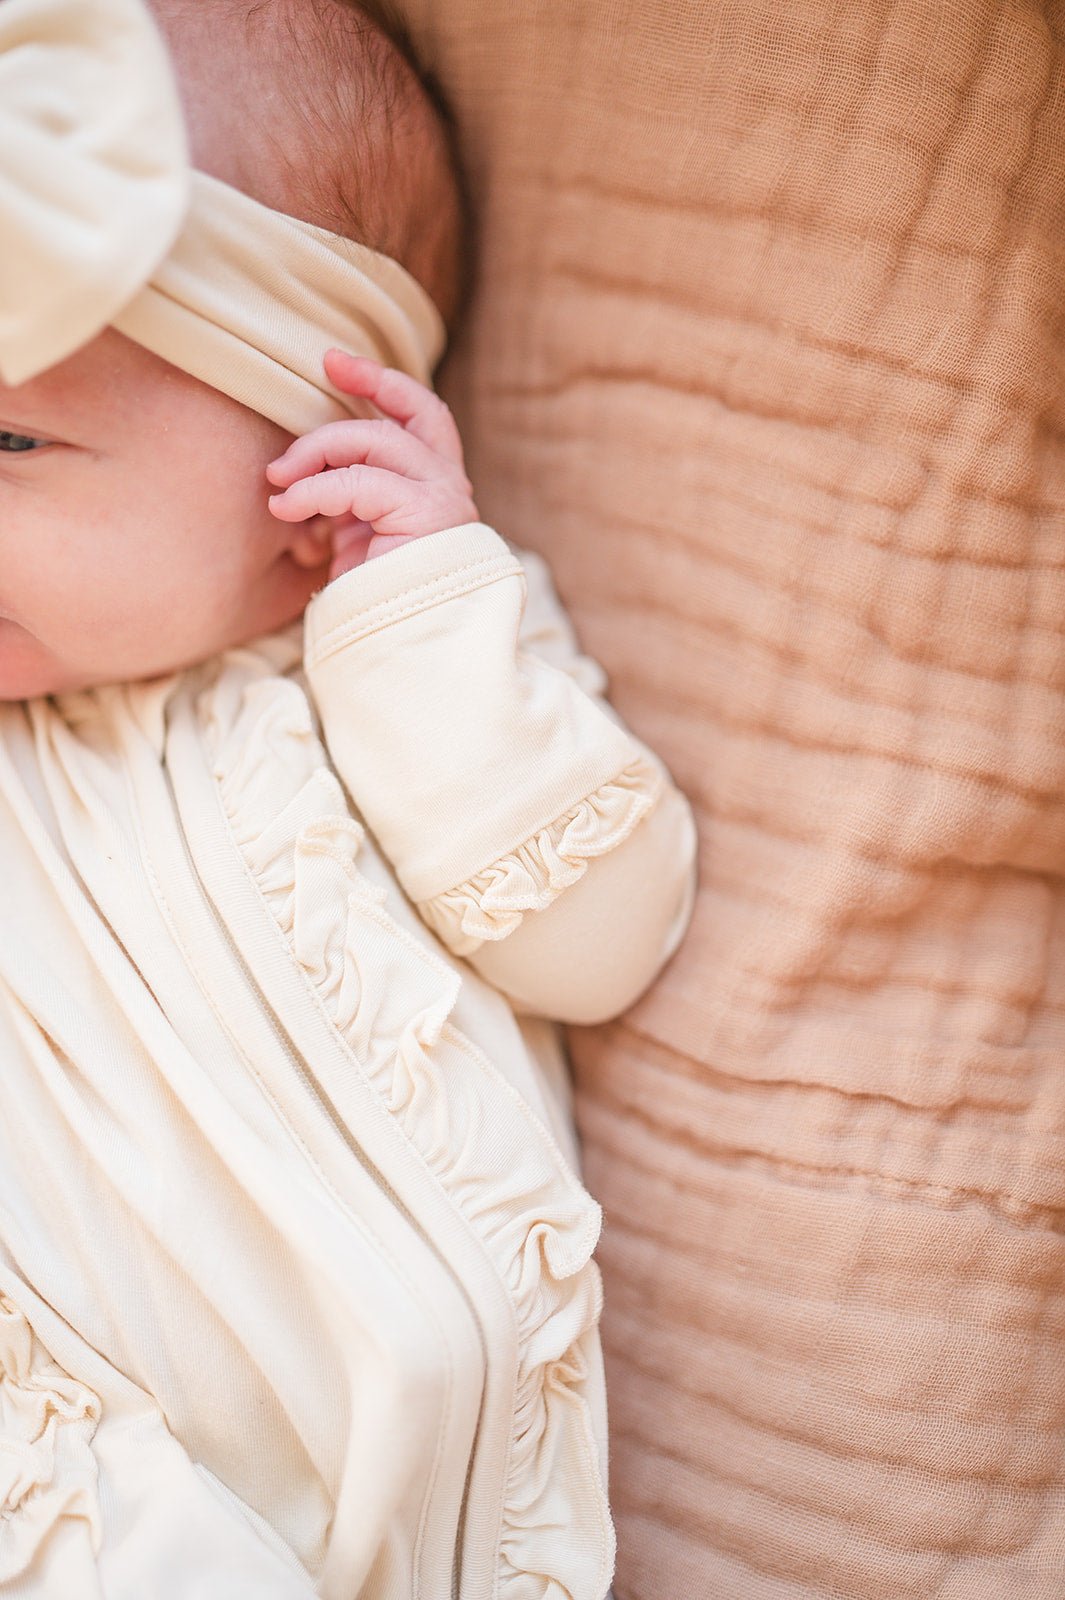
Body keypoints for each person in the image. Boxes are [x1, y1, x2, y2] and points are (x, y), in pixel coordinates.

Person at [0, 0, 697, 1595]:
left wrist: (418, 625)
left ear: (316, 450)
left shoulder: (410, 661)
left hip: (443, 1513)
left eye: (9, 433)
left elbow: (598, 941)